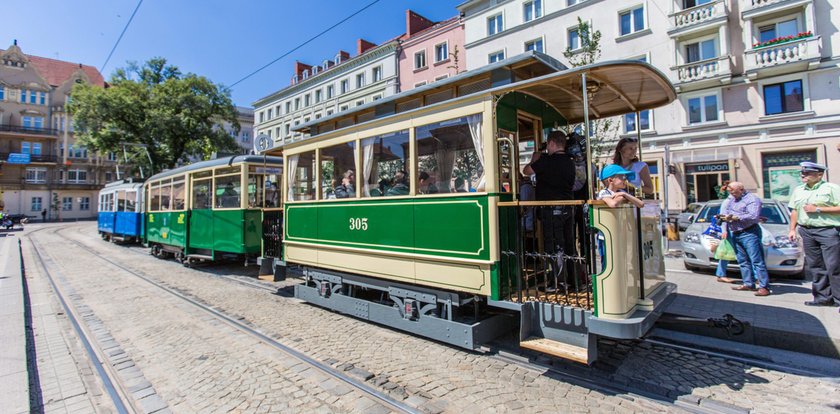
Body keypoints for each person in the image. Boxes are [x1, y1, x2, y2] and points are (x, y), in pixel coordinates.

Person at [523, 130, 577, 290]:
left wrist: (536, 157)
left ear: (552, 143)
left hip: (552, 210)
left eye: (547, 146)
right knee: (568, 244)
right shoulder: (570, 161)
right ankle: (573, 281)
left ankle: (558, 283)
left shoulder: (547, 162)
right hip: (569, 208)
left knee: (555, 246)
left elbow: (526, 171)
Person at [787, 162, 840, 309]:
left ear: (819, 175)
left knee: (834, 267)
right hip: (807, 230)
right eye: (802, 173)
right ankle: (823, 298)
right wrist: (792, 229)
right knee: (816, 266)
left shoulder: (831, 188)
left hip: (828, 231)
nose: (803, 175)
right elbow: (795, 211)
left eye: (807, 173)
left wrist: (817, 209)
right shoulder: (798, 190)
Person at [719, 182, 770, 296]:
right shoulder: (733, 200)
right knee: (742, 260)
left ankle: (764, 287)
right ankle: (748, 283)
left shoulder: (752, 199)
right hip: (736, 233)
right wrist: (723, 219)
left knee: (757, 260)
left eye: (733, 191)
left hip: (749, 232)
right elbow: (727, 213)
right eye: (730, 191)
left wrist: (736, 218)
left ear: (741, 189)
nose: (731, 194)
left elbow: (753, 216)